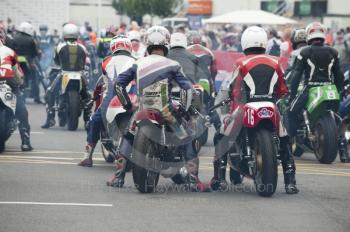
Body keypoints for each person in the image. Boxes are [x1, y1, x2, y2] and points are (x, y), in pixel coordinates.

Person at [107, 26, 207, 191]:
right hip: (167, 112)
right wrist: (185, 109)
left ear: (148, 46)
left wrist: (127, 105)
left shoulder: (137, 64)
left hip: (141, 111)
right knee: (186, 135)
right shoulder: (172, 64)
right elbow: (188, 89)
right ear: (165, 46)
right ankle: (193, 179)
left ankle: (118, 177)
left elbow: (118, 85)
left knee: (127, 136)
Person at [213, 26, 299, 194]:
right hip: (270, 106)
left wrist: (231, 97)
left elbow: (233, 88)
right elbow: (283, 89)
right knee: (285, 140)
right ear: (264, 43)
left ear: (245, 43)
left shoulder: (241, 63)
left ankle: (219, 179)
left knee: (221, 136)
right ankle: (290, 182)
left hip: (245, 107)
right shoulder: (276, 63)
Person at [288, 22, 348, 163]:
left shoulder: (305, 52)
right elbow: (339, 74)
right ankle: (344, 151)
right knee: (338, 117)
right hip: (330, 89)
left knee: (290, 112)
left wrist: (291, 95)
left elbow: (296, 75)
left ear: (309, 35)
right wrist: (338, 90)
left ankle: (287, 147)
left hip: (310, 88)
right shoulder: (334, 52)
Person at [78, 35, 135, 167]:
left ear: (113, 47)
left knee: (94, 121)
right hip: (132, 100)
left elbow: (102, 84)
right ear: (129, 47)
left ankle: (88, 157)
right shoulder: (137, 61)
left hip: (112, 100)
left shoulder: (106, 62)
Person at [41, 23, 91, 129]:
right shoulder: (82, 47)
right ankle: (87, 121)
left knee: (50, 92)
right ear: (76, 34)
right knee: (88, 97)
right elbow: (84, 59)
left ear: (64, 34)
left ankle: (50, 119)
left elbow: (56, 61)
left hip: (64, 73)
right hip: (79, 74)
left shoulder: (59, 46)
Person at [0, 27, 33, 151]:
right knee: (21, 109)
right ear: (3, 37)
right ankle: (25, 141)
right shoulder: (9, 51)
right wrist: (20, 84)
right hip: (8, 81)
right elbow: (18, 73)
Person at [10, 22, 42, 103]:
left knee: (12, 77)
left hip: (16, 62)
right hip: (28, 62)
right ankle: (36, 97)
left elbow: (11, 50)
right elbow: (35, 53)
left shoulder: (14, 38)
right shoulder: (31, 39)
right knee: (35, 78)